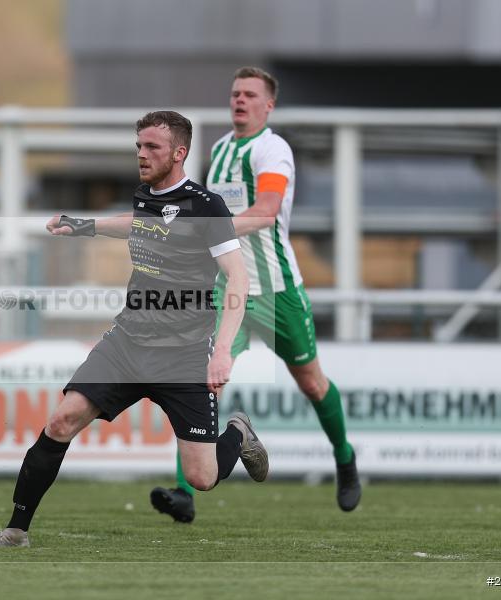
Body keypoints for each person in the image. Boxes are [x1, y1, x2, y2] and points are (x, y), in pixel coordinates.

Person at [0, 110, 268, 549]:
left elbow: (237, 278)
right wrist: (84, 226)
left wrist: (222, 350)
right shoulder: (145, 194)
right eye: (139, 146)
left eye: (152, 147)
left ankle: (237, 433)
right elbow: (139, 223)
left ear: (179, 153)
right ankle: (16, 531)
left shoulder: (207, 207)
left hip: (184, 354)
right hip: (128, 343)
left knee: (202, 478)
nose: (142, 155)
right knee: (61, 420)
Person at [149, 67, 361, 523]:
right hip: (229, 289)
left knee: (311, 383)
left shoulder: (273, 149)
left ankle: (344, 458)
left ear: (269, 105)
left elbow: (266, 212)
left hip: (277, 290)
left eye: (249, 94)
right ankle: (185, 491)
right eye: (235, 94)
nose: (239, 100)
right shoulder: (221, 150)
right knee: (199, 379)